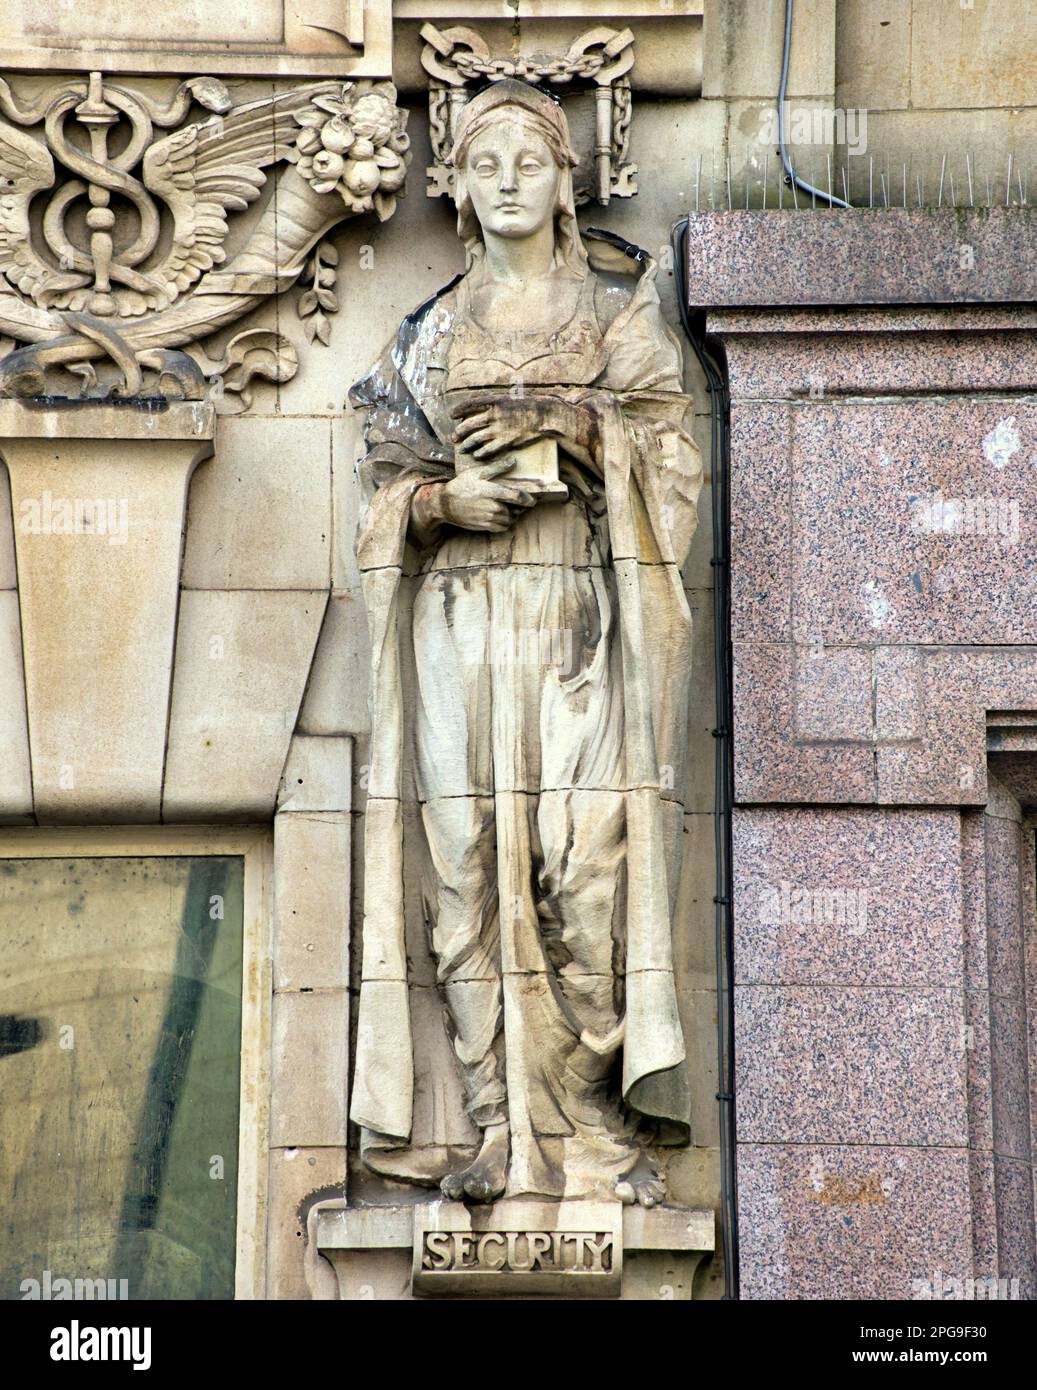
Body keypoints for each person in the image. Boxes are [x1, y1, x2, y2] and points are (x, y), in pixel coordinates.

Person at [348, 78, 702, 1206]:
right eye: (484, 162)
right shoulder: (428, 331)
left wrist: (567, 427)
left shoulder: (615, 314)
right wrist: (436, 506)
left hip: (580, 618)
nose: (506, 181)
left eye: (529, 162)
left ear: (567, 182)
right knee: (461, 871)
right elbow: (379, 485)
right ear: (453, 184)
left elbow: (672, 460)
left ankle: (589, 1133)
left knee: (584, 863)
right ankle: (498, 1129)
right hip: (455, 617)